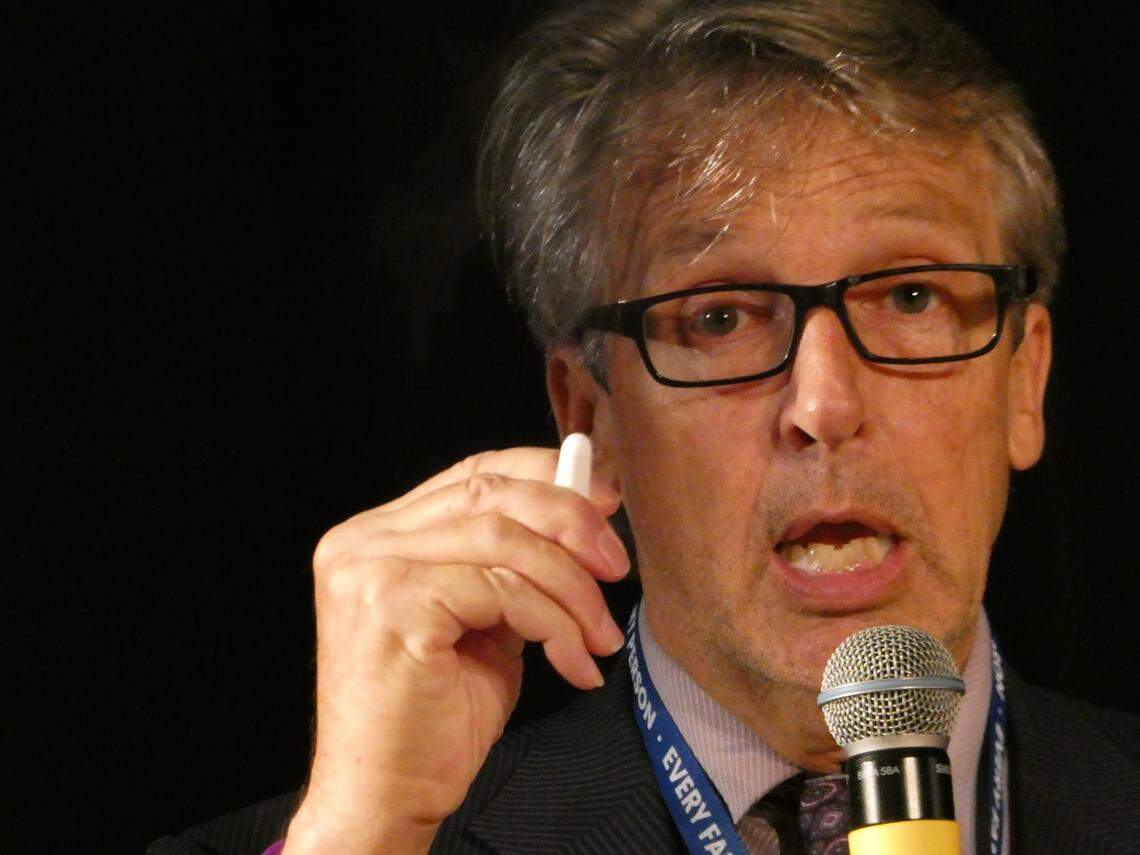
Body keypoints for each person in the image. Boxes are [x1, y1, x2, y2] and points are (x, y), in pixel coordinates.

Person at [149, 0, 1140, 853]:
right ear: (591, 416)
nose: (825, 404)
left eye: (913, 296)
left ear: (1025, 377)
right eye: (718, 318)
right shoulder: (366, 838)